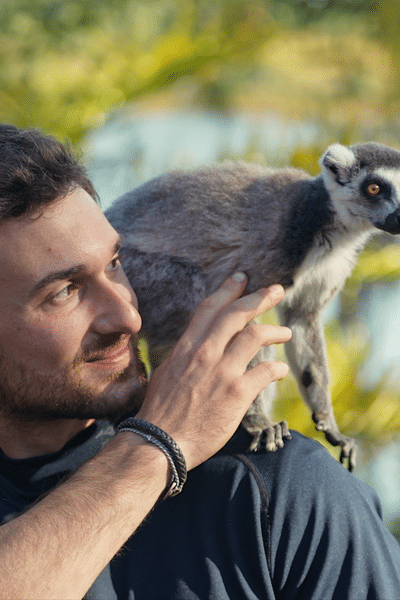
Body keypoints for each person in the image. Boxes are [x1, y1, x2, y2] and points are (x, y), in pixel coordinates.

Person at [0, 124, 398, 600]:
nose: (129, 312)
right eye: (63, 292)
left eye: (115, 263)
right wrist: (158, 445)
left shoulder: (278, 495)